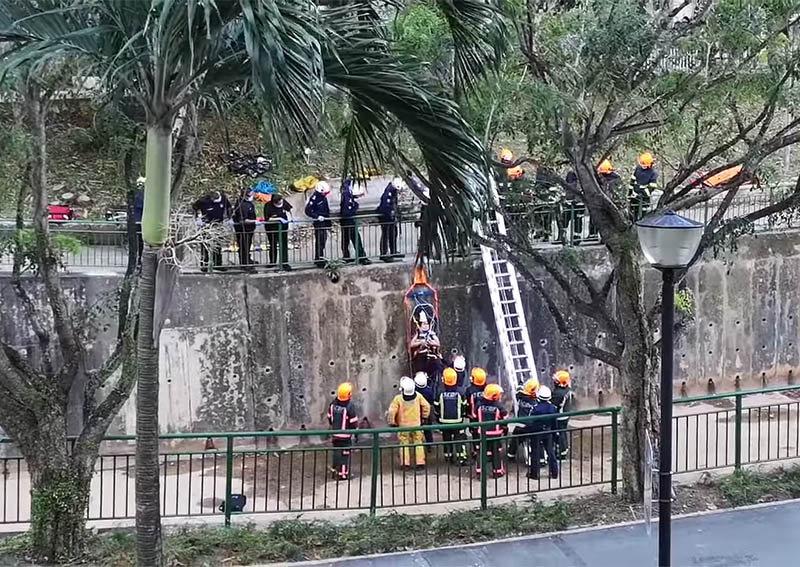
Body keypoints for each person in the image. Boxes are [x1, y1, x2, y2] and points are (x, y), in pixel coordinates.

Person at [388, 376, 431, 468]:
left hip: (403, 426)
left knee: (404, 444)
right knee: (418, 442)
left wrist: (392, 422)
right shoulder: (418, 396)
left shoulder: (398, 399)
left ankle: (405, 463)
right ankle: (420, 463)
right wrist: (424, 417)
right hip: (417, 425)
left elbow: (392, 411)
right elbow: (426, 406)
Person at [434, 367, 469, 464]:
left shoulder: (440, 392)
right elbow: (464, 406)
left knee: (447, 439)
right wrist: (463, 415)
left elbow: (436, 406)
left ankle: (448, 456)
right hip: (458, 422)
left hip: (444, 422)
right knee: (459, 439)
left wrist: (438, 417)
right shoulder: (461, 392)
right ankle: (461, 458)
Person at [192, 190, 232, 272]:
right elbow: (194, 207)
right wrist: (198, 218)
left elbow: (229, 207)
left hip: (218, 225)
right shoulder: (204, 200)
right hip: (206, 225)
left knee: (217, 246)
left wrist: (229, 218)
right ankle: (204, 265)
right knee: (205, 246)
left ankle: (217, 264)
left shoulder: (224, 199)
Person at [327, 382, 359, 480]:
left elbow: (329, 418)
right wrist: (356, 433)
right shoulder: (349, 406)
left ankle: (335, 470)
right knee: (345, 454)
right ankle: (343, 474)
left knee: (336, 452)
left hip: (335, 434)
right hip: (345, 436)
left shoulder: (332, 404)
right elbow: (353, 421)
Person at [475, 383, 508, 478]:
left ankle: (480, 472)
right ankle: (497, 472)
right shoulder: (499, 406)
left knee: (481, 453)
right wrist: (504, 428)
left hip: (482, 434)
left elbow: (474, 416)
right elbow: (505, 418)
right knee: (496, 453)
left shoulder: (479, 405)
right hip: (495, 434)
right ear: (494, 396)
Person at [529, 385, 559, 480]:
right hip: (548, 431)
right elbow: (555, 422)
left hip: (536, 432)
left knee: (535, 453)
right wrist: (555, 432)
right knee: (550, 452)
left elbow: (530, 421)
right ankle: (554, 472)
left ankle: (535, 474)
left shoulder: (535, 408)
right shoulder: (553, 408)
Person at [507, 378, 539, 461]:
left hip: (520, 424)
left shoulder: (521, 396)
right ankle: (540, 457)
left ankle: (511, 454)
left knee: (515, 439)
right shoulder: (536, 402)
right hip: (532, 425)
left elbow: (518, 393)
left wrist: (520, 385)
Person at [340, 180, 371, 265]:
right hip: (349, 221)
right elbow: (348, 212)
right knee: (356, 240)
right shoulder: (348, 199)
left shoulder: (346, 194)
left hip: (345, 221)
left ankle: (346, 256)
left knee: (345, 239)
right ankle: (361, 257)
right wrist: (355, 206)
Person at [305, 180, 332, 267]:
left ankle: (320, 257)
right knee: (320, 241)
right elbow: (308, 211)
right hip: (319, 223)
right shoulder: (315, 198)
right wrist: (317, 216)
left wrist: (329, 224)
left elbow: (326, 211)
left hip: (324, 222)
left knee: (323, 241)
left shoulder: (323, 197)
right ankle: (318, 259)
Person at [263, 193, 293, 271]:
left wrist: (291, 218)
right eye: (279, 203)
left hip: (283, 227)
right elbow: (267, 219)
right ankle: (272, 262)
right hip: (272, 228)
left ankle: (284, 263)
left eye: (281, 202)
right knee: (273, 244)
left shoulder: (283, 202)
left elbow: (289, 209)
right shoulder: (268, 206)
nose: (281, 203)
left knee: (284, 245)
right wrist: (279, 219)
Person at [376, 177, 403, 262]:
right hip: (385, 217)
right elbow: (386, 207)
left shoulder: (393, 191)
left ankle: (393, 251)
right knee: (385, 235)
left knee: (393, 233)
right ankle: (384, 254)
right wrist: (391, 215)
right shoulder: (389, 193)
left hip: (391, 217)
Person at [232, 187, 258, 272]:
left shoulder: (248, 203)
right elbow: (243, 220)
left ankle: (248, 260)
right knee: (244, 246)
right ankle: (245, 264)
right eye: (251, 194)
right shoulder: (242, 205)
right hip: (243, 229)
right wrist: (255, 221)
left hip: (249, 229)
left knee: (247, 246)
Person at [551, 370, 575, 458]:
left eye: (556, 381)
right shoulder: (567, 390)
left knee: (559, 433)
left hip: (559, 417)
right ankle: (564, 449)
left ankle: (561, 452)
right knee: (563, 432)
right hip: (566, 414)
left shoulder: (558, 394)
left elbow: (552, 404)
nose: (554, 382)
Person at [465, 367, 487, 455]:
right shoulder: (487, 389)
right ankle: (486, 450)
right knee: (485, 433)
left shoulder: (469, 390)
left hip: (474, 417)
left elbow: (467, 403)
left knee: (475, 434)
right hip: (485, 416)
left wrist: (467, 413)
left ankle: (476, 450)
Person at [630, 152, 658, 219]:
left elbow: (652, 187)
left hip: (644, 198)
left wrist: (643, 193)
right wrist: (630, 193)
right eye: (642, 164)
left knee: (643, 212)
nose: (643, 166)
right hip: (635, 196)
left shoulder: (653, 173)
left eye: (645, 164)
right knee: (633, 212)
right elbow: (632, 181)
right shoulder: (638, 169)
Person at [414, 371, 436, 446]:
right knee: (427, 430)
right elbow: (431, 400)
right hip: (427, 412)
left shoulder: (414, 392)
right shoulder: (429, 391)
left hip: (416, 412)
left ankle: (418, 444)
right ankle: (429, 444)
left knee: (417, 430)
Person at [133, 176, 145, 265]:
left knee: (137, 243)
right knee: (140, 243)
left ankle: (138, 260)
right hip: (140, 222)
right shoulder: (141, 195)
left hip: (136, 221)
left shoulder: (136, 194)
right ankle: (139, 260)